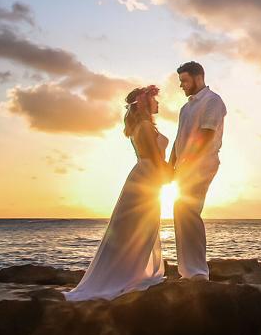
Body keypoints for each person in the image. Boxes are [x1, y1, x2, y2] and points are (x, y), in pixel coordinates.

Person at [64, 85, 172, 301]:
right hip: (147, 176)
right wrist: (170, 174)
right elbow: (154, 157)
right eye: (155, 100)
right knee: (139, 225)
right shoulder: (144, 127)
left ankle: (130, 270)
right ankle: (125, 275)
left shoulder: (143, 126)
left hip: (144, 174)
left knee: (138, 225)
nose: (158, 103)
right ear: (145, 103)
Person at [169, 61, 226, 280]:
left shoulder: (213, 101)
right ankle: (187, 270)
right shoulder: (186, 108)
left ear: (198, 78)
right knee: (180, 211)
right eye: (180, 81)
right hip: (184, 166)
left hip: (202, 164)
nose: (182, 85)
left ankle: (198, 272)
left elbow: (206, 134)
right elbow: (178, 139)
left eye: (184, 80)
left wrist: (188, 162)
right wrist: (170, 164)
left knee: (189, 211)